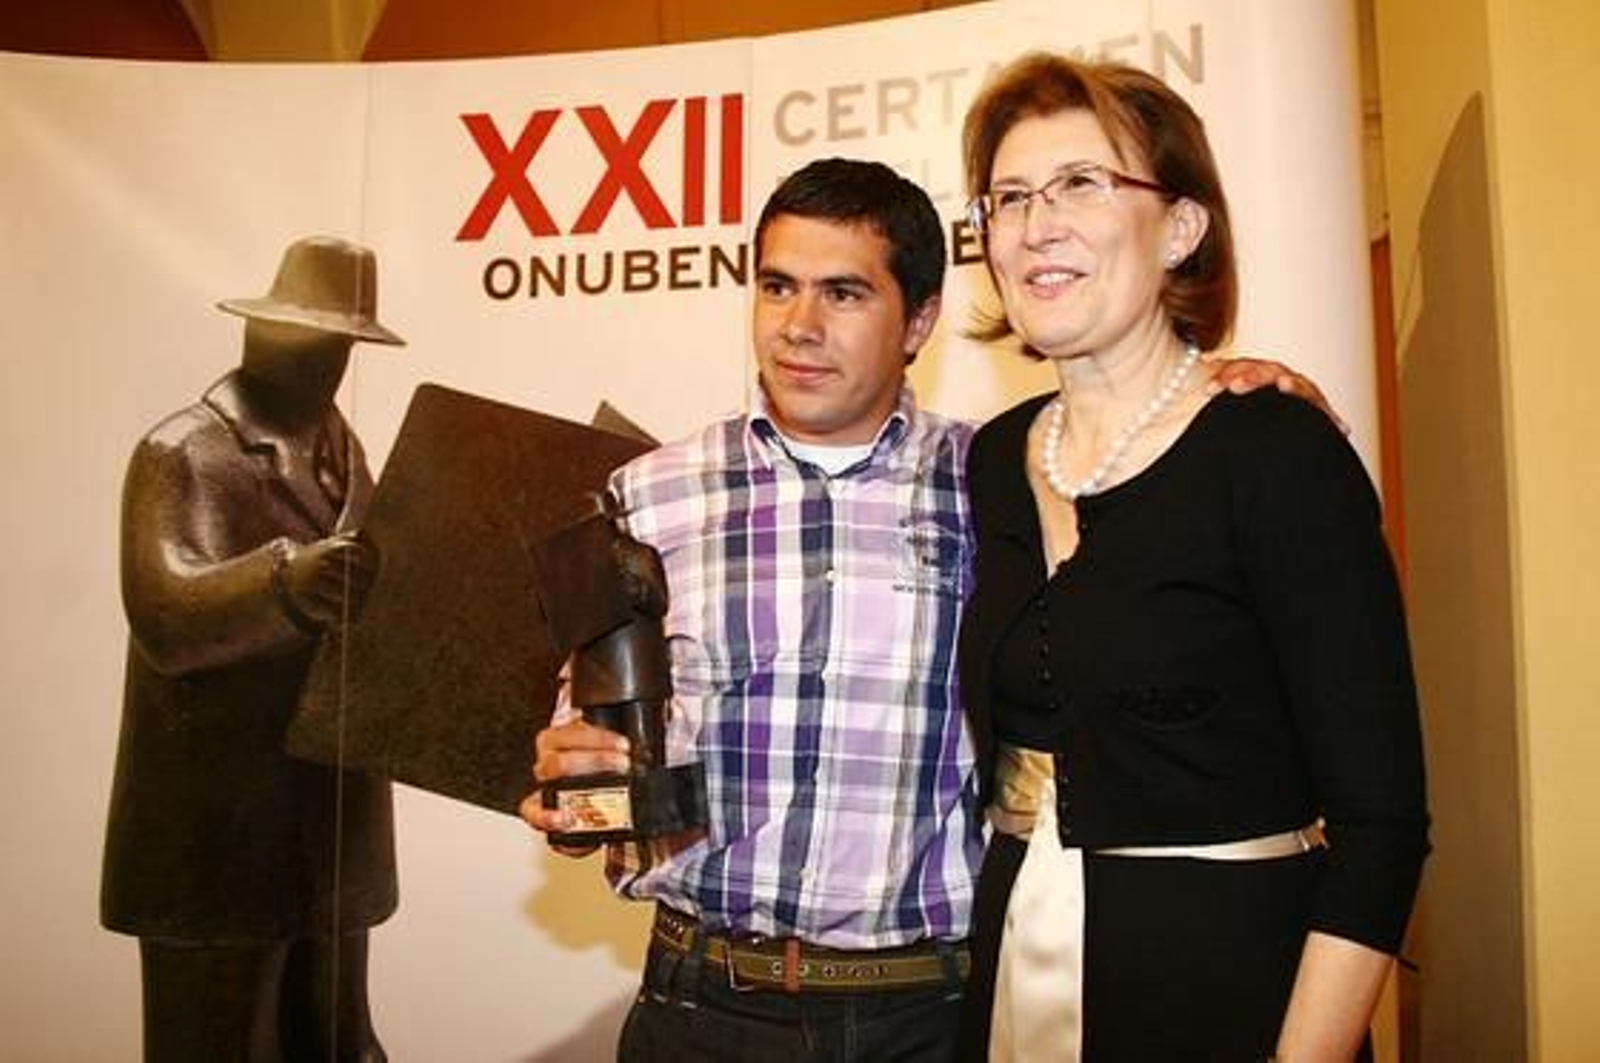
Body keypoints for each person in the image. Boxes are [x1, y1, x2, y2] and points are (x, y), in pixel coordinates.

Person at [521, 158, 1331, 1063]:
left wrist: (1234, 403)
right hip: (697, 1009)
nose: (799, 326)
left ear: (920, 320)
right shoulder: (650, 494)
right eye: (778, 286)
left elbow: (1155, 533)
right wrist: (574, 789)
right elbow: (588, 765)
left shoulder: (1005, 484)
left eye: (844, 293)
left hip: (928, 1018)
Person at [954, 54, 1430, 1061]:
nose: (1036, 223)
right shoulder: (993, 459)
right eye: (1009, 197)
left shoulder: (1276, 452)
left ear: (1179, 227)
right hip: (1012, 976)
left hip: (1235, 994)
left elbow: (1381, 830)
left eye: (1081, 183)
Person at [102, 235, 402, 1062]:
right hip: (216, 839)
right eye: (307, 336)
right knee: (221, 1045)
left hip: (329, 827)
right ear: (259, 331)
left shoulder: (343, 451)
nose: (323, 359)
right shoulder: (184, 450)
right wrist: (284, 583)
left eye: (336, 343)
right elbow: (165, 610)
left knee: (340, 1043)